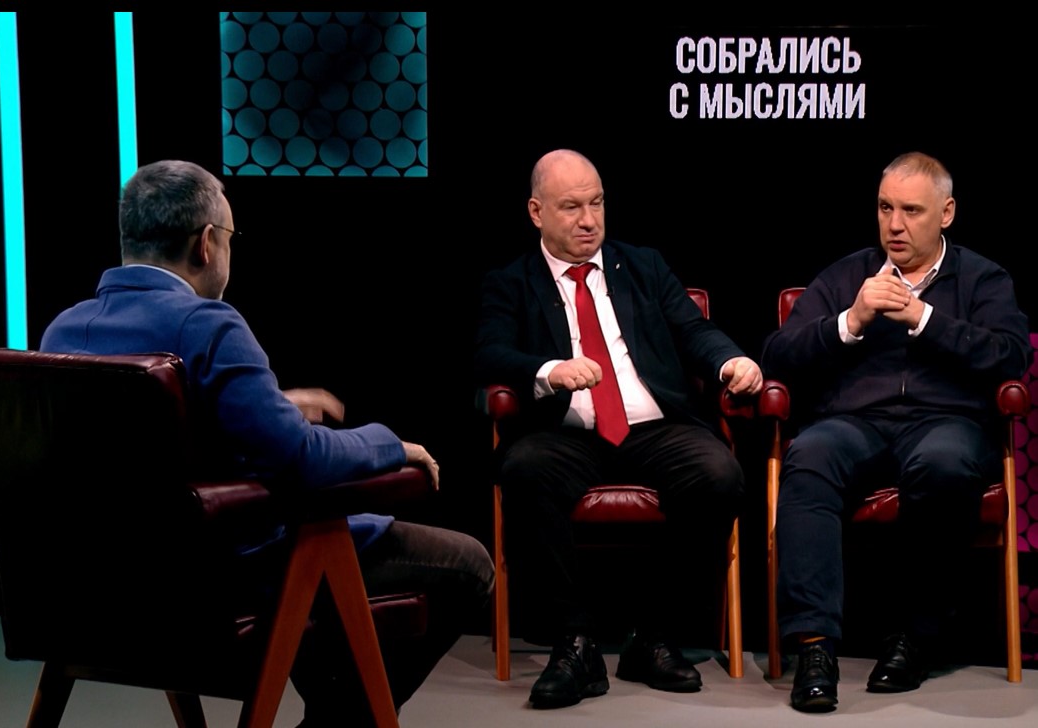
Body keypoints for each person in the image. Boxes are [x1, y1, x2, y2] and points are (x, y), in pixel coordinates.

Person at [39, 159, 495, 728]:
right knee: (469, 566)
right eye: (230, 237)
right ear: (207, 243)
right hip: (220, 581)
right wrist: (390, 445)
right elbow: (302, 459)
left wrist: (269, 406)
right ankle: (341, 721)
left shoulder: (61, 332)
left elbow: (142, 442)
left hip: (97, 590)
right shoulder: (209, 325)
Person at [473, 148, 763, 709]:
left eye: (597, 203)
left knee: (719, 475)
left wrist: (729, 360)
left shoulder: (644, 266)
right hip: (564, 431)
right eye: (571, 207)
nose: (589, 220)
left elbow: (693, 330)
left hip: (652, 425)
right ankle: (575, 643)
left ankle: (655, 637)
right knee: (524, 469)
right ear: (536, 212)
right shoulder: (511, 282)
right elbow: (489, 353)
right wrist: (551, 371)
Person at [761, 151, 1031, 713]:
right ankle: (814, 648)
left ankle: (914, 638)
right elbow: (779, 354)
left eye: (912, 211)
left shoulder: (983, 278)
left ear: (946, 213)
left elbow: (1009, 356)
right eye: (886, 208)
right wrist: (851, 321)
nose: (895, 225)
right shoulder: (848, 276)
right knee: (809, 456)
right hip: (855, 423)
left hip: (947, 423)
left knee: (943, 465)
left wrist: (924, 320)